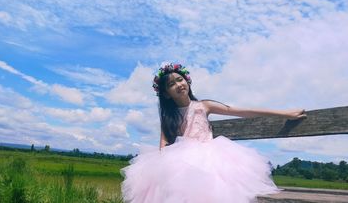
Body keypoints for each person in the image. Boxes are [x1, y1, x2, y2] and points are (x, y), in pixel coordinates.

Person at [120, 63, 306, 203]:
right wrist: (162, 168)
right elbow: (162, 144)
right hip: (179, 161)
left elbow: (240, 111)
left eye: (180, 79)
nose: (178, 84)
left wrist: (284, 113)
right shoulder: (169, 116)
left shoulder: (203, 106)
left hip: (209, 157)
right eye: (171, 84)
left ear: (187, 82)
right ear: (166, 93)